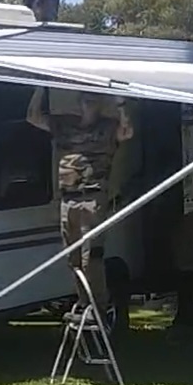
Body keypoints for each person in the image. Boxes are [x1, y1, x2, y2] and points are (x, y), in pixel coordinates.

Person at [26, 89, 133, 313]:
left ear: (101, 104)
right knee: (73, 259)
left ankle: (99, 306)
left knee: (91, 257)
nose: (88, 103)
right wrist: (40, 87)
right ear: (78, 102)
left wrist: (121, 105)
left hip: (93, 198)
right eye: (85, 99)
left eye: (93, 100)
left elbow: (127, 132)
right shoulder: (64, 124)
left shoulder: (108, 127)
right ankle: (84, 302)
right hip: (68, 199)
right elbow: (33, 118)